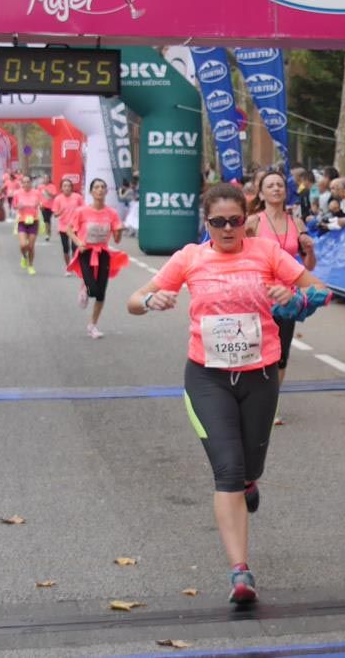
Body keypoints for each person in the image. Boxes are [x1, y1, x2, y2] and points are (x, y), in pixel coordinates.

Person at [127, 183, 328, 606]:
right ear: (207, 223)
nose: (227, 229)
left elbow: (320, 291)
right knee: (228, 472)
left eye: (235, 221)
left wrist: (291, 296)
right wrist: (152, 301)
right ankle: (241, 571)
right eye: (218, 222)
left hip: (259, 375)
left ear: (246, 220)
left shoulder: (266, 253)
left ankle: (250, 481)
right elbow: (133, 300)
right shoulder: (190, 257)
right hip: (207, 377)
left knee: (249, 466)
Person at [245, 170, 318, 405]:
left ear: (286, 192)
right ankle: (253, 396)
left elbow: (309, 265)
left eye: (279, 185)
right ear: (262, 193)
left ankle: (270, 404)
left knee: (281, 352)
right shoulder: (254, 221)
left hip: (287, 297)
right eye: (270, 185)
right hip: (258, 294)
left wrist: (311, 249)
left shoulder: (296, 222)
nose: (276, 188)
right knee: (256, 348)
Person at [68, 179, 128, 339]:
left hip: (103, 253)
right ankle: (84, 288)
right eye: (96, 187)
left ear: (106, 192)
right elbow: (69, 229)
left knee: (101, 293)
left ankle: (92, 325)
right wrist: (78, 242)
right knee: (92, 290)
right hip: (86, 252)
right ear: (91, 192)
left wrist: (120, 230)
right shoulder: (82, 212)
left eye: (103, 187)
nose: (100, 190)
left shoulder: (112, 213)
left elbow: (117, 239)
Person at [12, 174, 43, 275]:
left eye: (28, 182)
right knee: (23, 245)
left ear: (31, 183)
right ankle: (24, 257)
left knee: (30, 246)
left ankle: (30, 265)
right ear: (22, 183)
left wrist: (38, 205)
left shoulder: (36, 193)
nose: (26, 184)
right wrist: (18, 206)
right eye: (24, 182)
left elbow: (41, 205)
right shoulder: (17, 193)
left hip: (34, 221)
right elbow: (14, 206)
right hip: (22, 221)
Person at [53, 178, 84, 274]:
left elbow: (83, 209)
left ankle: (74, 264)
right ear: (61, 188)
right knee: (66, 249)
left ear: (71, 187)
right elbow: (55, 214)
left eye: (69, 186)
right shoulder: (58, 199)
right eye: (64, 186)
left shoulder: (77, 197)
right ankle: (68, 267)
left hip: (75, 227)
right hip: (63, 228)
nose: (67, 188)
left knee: (75, 248)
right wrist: (60, 212)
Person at [38, 176, 57, 242]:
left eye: (47, 178)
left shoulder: (52, 186)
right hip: (43, 206)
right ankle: (47, 234)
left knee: (48, 219)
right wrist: (39, 204)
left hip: (51, 206)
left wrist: (48, 192)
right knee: (46, 220)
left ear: (49, 179)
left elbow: (54, 195)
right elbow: (38, 196)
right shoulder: (40, 187)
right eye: (44, 178)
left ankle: (48, 231)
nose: (46, 179)